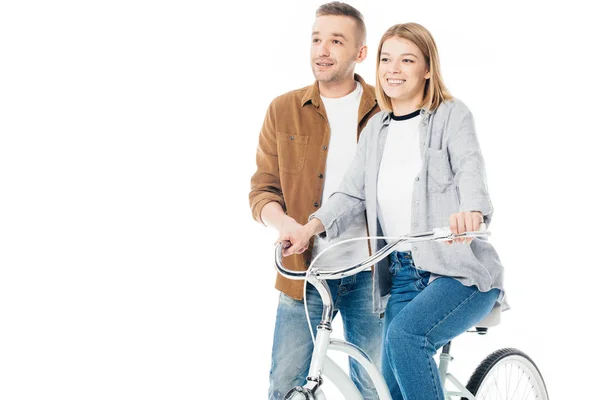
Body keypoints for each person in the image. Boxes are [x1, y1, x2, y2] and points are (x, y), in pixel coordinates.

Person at [281, 22, 506, 400]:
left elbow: (470, 169)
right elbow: (351, 194)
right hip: (402, 275)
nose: (393, 69)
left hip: (459, 272)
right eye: (386, 59)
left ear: (428, 69)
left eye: (407, 59)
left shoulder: (451, 116)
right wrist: (310, 227)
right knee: (391, 388)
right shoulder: (376, 130)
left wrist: (472, 211)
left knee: (406, 338)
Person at [249, 2, 382, 399]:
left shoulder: (385, 110)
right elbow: (263, 188)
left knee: (374, 388)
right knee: (285, 387)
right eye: (316, 39)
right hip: (303, 274)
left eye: (336, 41)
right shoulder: (283, 109)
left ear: (360, 53)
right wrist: (285, 224)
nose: (322, 50)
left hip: (371, 273)